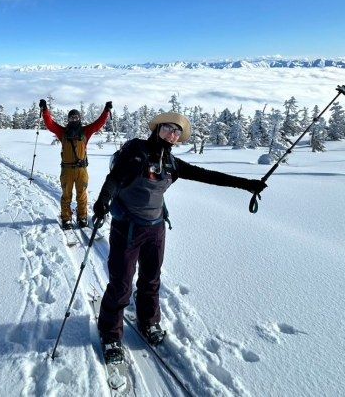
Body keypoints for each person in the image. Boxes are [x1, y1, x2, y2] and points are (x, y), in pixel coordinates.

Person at [91, 111, 267, 364]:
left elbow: (207, 175)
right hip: (127, 227)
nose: (172, 134)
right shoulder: (137, 153)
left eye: (177, 132)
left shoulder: (172, 163)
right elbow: (114, 179)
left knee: (151, 278)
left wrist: (247, 184)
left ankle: (148, 321)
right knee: (121, 283)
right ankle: (110, 334)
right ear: (157, 128)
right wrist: (102, 201)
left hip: (155, 228)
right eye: (168, 128)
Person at [39, 99, 112, 230]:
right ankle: (66, 218)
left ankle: (82, 217)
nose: (74, 119)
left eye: (76, 117)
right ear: (68, 120)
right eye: (71, 118)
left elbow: (98, 124)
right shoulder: (62, 132)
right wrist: (45, 110)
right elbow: (50, 124)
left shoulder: (85, 132)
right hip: (67, 170)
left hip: (82, 170)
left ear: (79, 119)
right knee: (66, 196)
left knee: (82, 195)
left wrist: (106, 111)